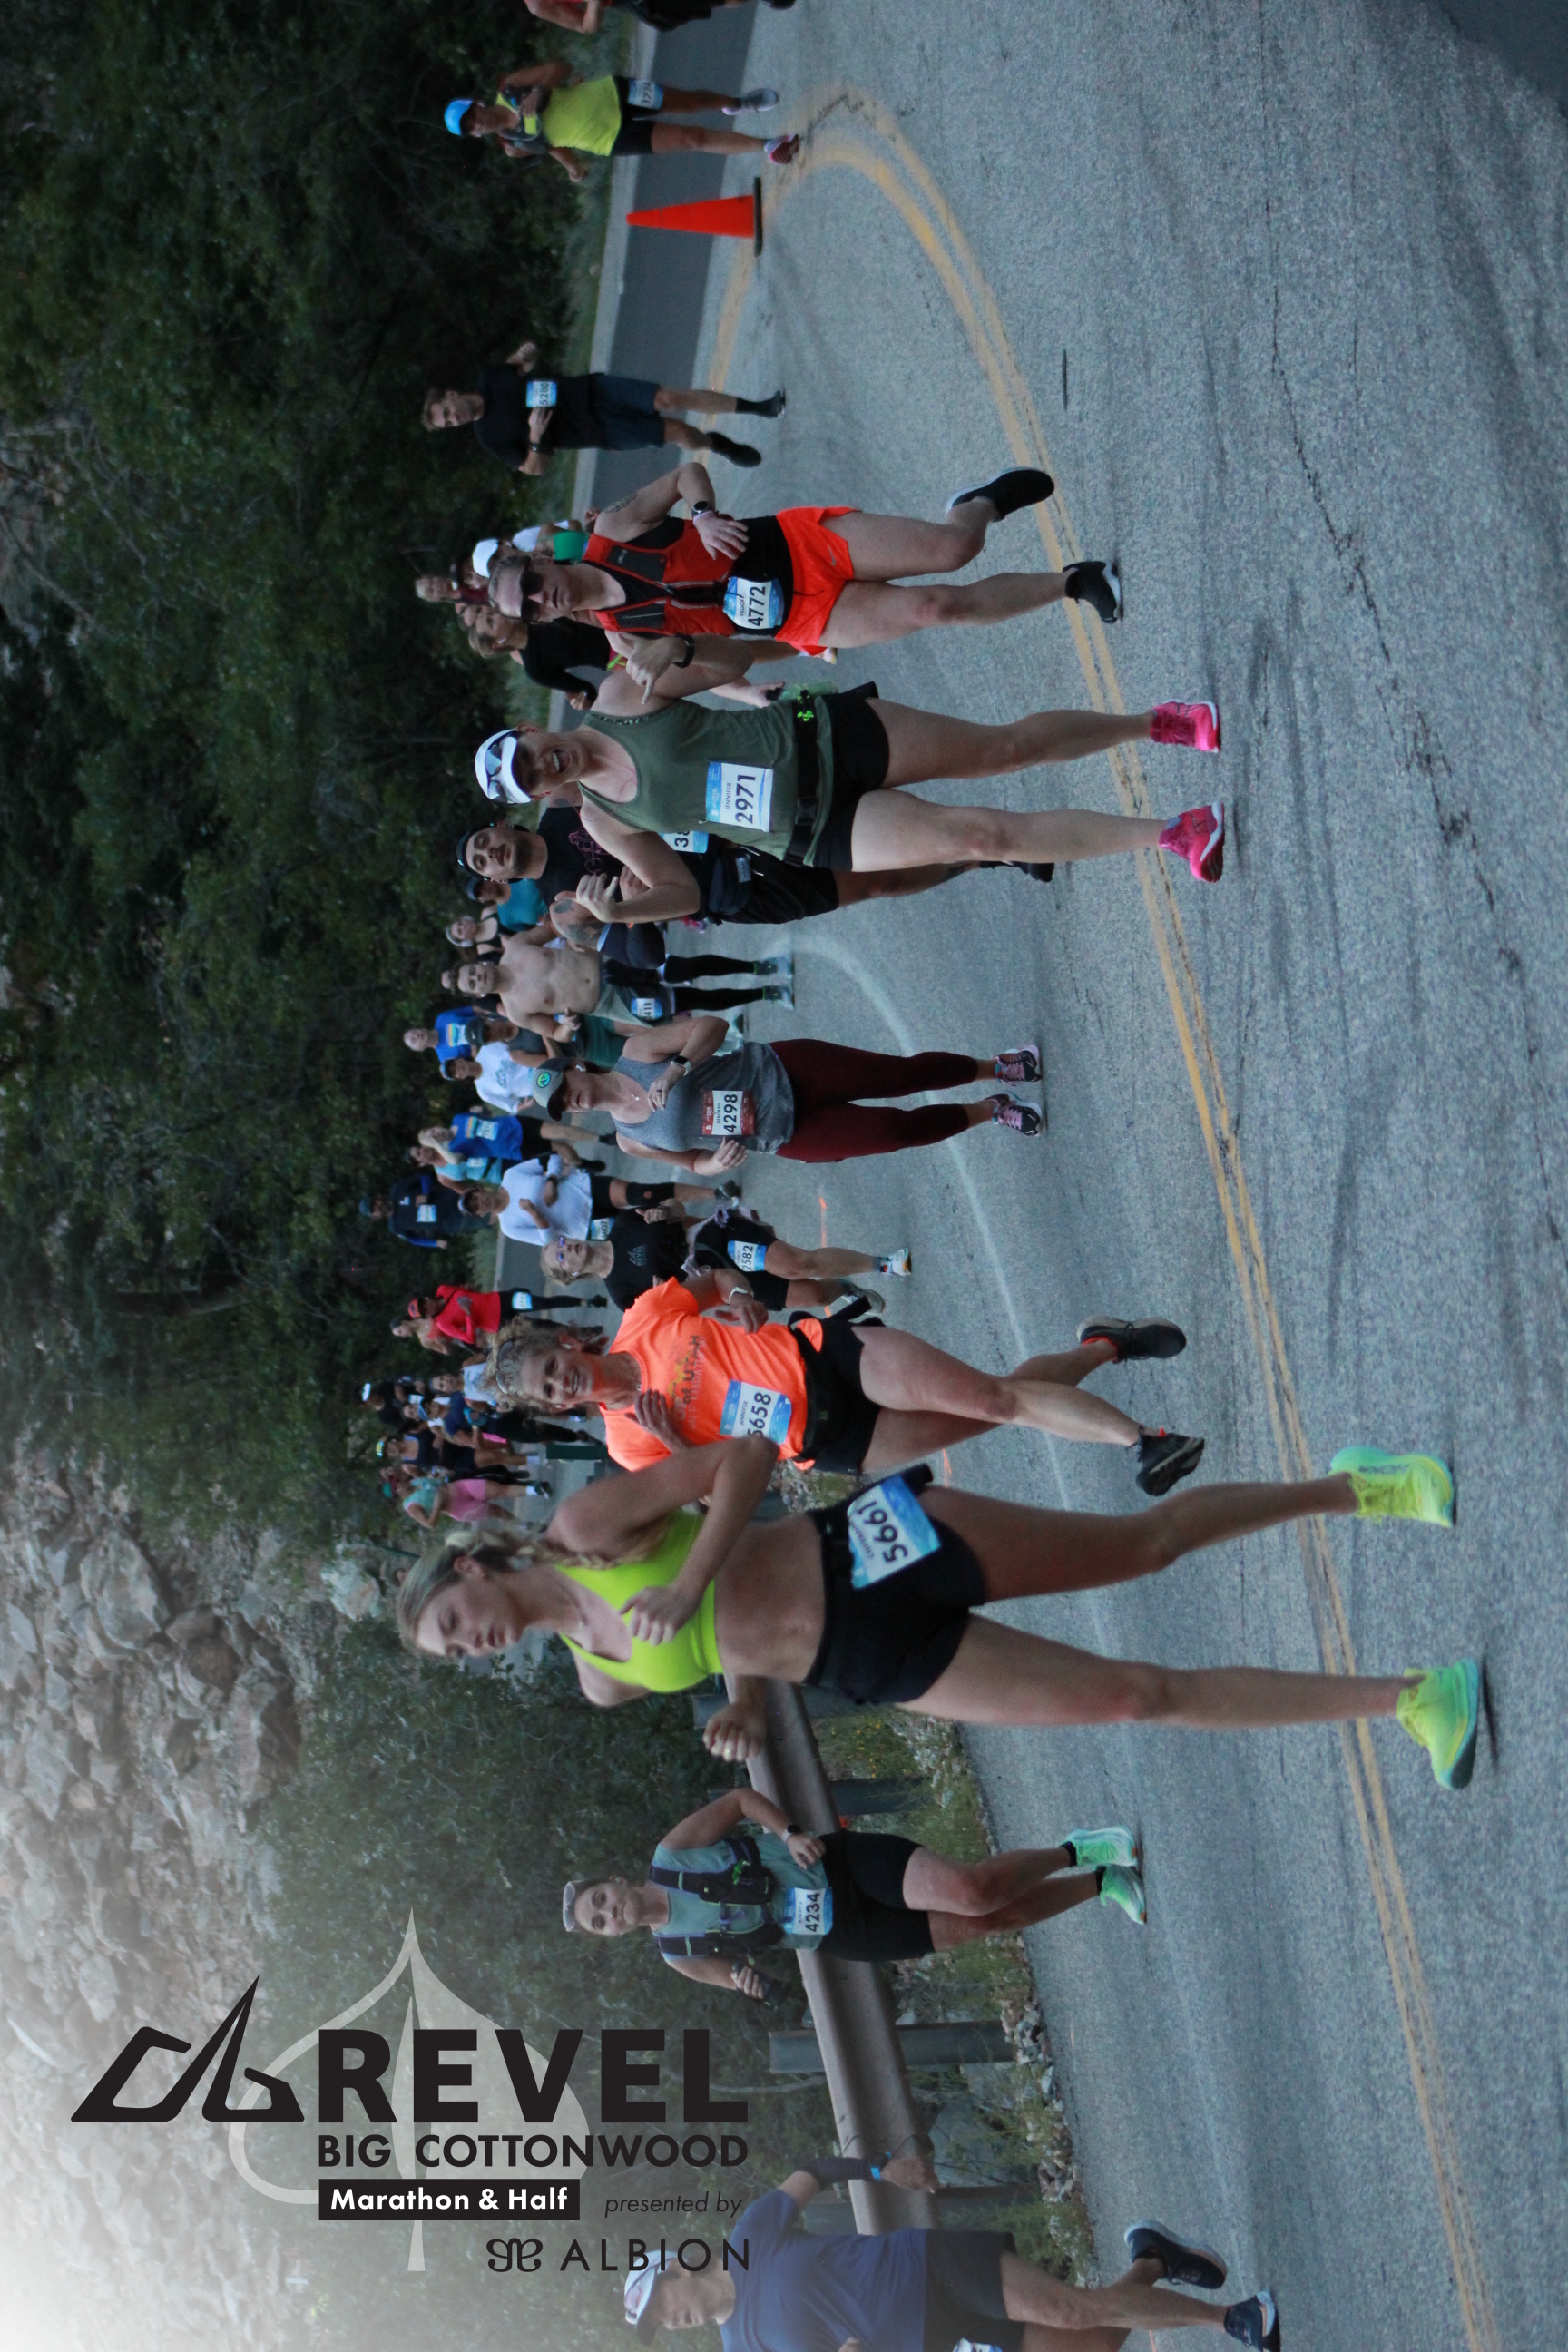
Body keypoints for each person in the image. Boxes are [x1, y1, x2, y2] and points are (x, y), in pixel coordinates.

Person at [398, 1431, 1480, 1804]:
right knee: (1133, 1698)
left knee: (1143, 1548)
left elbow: (743, 1459)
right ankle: (1411, 1700)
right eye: (457, 1656)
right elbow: (731, 1645)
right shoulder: (601, 1679)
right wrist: (744, 1705)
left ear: (471, 1568)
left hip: (866, 1547)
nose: (471, 1645)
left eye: (454, 1623)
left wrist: (690, 1582)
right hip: (874, 1662)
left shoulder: (585, 1526)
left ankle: (1360, 1487)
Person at [461, 670, 1229, 909]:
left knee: (1004, 750)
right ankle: (1172, 834)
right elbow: (681, 891)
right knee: (984, 836)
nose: (543, 768)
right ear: (534, 796)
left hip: (824, 737)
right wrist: (623, 912)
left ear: (528, 730)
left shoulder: (620, 694)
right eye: (530, 781)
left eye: (528, 755)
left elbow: (727, 657)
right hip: (812, 830)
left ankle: (1155, 722)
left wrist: (687, 652)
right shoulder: (603, 821)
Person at [484, 1299, 1207, 1495]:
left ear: (565, 1344)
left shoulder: (645, 1317)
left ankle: (1147, 1444)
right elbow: (716, 1502)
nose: (560, 1382)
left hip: (827, 1359)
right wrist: (675, 1444)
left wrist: (743, 1298)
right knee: (998, 1409)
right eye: (548, 1392)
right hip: (827, 1442)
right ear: (555, 1409)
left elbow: (717, 1281)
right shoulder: (627, 1444)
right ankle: (1105, 1345)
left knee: (995, 1401)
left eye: (552, 1366)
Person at [490, 460, 1124, 671]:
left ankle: (978, 505)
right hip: (803, 617)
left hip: (796, 545)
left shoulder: (612, 530)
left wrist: (703, 513)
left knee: (954, 550)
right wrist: (680, 654)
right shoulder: (625, 641)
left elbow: (687, 473)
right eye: (531, 610)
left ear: (540, 558)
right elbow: (732, 661)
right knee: (937, 608)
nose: (542, 599)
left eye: (533, 584)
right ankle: (1074, 582)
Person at [621, 2161, 1286, 2349]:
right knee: (1089, 2345)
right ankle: (1153, 2260)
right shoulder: (742, 2347)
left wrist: (882, 2169)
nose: (669, 2321)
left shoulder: (750, 2238)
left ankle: (1233, 2319)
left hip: (923, 2267)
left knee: (1073, 2310)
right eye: (659, 2326)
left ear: (675, 2269)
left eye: (660, 2305)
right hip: (933, 2340)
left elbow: (812, 2173)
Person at [564, 1787, 1147, 1994]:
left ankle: (1076, 1850)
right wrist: (746, 1982)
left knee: (973, 1891)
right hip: (842, 1932)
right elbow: (737, 1977)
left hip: (837, 1866)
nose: (610, 1913)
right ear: (611, 1936)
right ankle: (1102, 1883)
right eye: (601, 1922)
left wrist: (788, 1832)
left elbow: (739, 1801)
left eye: (601, 1900)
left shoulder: (671, 1856)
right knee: (989, 1922)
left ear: (614, 1882)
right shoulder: (678, 1954)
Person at [539, 1011, 1051, 1167]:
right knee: (895, 1133)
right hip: (783, 1132)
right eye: (563, 1105)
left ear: (578, 1066)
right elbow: (692, 1163)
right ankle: (991, 1110)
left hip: (786, 1069)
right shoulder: (630, 1140)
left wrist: (677, 1069)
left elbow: (712, 1026)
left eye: (567, 1086)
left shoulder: (637, 1052)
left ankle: (996, 1067)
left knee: (901, 1076)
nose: (572, 1099)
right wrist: (713, 1167)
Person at [423, 338, 784, 475]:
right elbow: (533, 468)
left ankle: (759, 407)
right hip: (595, 430)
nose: (456, 419)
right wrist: (535, 437)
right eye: (449, 424)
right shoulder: (489, 437)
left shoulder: (489, 378)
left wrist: (526, 353)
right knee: (679, 432)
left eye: (449, 412)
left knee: (669, 398)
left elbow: (518, 365)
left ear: (451, 395)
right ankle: (716, 444)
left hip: (591, 390)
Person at [442, 74, 799, 191]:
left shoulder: (509, 88)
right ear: (474, 136)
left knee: (687, 101)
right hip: (608, 139)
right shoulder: (513, 144)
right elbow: (550, 146)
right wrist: (571, 167)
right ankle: (768, 145)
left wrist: (538, 91)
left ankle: (737, 102)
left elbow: (561, 67)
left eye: (471, 116)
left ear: (476, 104)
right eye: (470, 129)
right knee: (691, 138)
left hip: (612, 93)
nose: (477, 124)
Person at [541, 1210, 910, 1315]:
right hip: (717, 1281)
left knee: (798, 1264)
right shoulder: (622, 1295)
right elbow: (676, 1315)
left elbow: (680, 1214)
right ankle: (844, 1287)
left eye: (561, 1241)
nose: (566, 1246)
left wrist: (664, 1212)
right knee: (813, 1296)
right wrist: (668, 1296)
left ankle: (884, 1264)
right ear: (570, 1274)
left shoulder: (623, 1224)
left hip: (717, 1241)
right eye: (560, 1255)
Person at [462, 1160, 718, 1246]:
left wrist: (551, 1180)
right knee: (654, 1224)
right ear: (480, 1214)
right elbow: (548, 1240)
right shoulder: (509, 1226)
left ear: (479, 1189)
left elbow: (551, 1159)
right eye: (476, 1208)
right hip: (586, 1226)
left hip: (584, 1188)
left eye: (475, 1197)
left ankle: (715, 1193)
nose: (479, 1202)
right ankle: (710, 1223)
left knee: (643, 1194)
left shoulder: (511, 1176)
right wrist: (534, 1213)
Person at [359, 1171, 487, 1250]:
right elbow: (414, 1239)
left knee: (484, 1200)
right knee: (484, 1219)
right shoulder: (395, 1226)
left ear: (378, 1198)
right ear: (375, 1216)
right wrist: (435, 1243)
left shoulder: (397, 1190)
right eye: (373, 1210)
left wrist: (425, 1193)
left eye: (374, 1203)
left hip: (449, 1198)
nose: (377, 1207)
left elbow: (424, 1177)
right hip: (448, 1222)